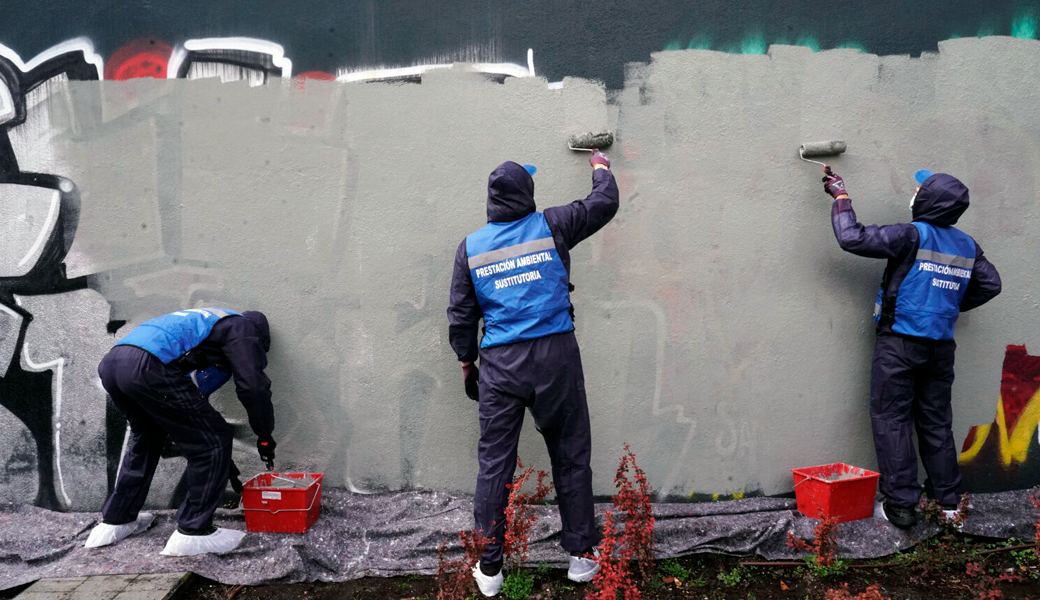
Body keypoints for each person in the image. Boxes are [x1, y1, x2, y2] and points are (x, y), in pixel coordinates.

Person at [447, 154, 618, 596]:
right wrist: (600, 165)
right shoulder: (554, 224)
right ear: (528, 194)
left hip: (500, 367)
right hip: (555, 358)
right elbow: (604, 202)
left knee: (494, 466)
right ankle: (581, 558)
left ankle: (489, 570)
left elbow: (461, 319)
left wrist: (468, 365)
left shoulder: (471, 248)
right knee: (570, 455)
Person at [822, 167, 1001, 529]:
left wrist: (841, 197)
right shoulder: (967, 245)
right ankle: (949, 505)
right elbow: (990, 284)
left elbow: (852, 238)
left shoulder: (910, 235)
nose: (914, 192)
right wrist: (948, 305)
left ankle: (902, 506)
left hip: (900, 344)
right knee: (936, 423)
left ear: (926, 201)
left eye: (920, 189)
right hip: (940, 349)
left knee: (892, 420)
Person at [84, 308, 276, 555]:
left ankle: (116, 520)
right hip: (148, 365)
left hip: (113, 364)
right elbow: (253, 387)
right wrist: (264, 434)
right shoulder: (243, 328)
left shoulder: (207, 325)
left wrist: (221, 463)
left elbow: (189, 410)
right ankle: (194, 531)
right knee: (215, 441)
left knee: (147, 437)